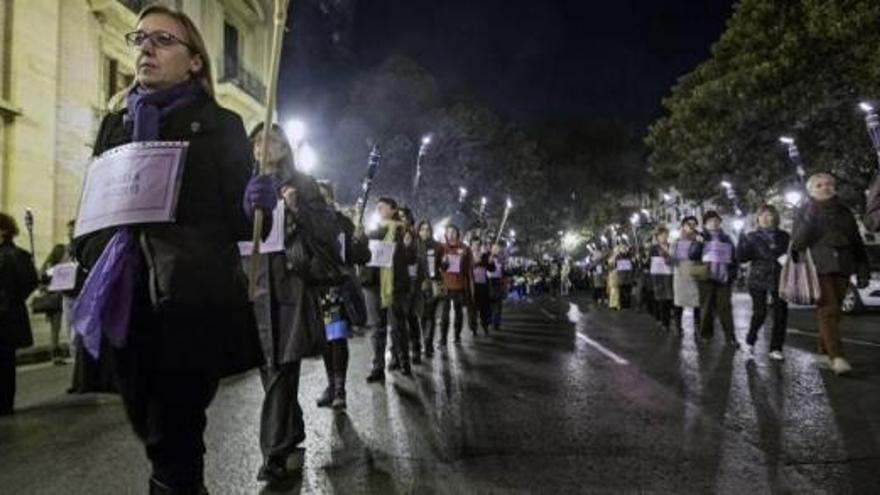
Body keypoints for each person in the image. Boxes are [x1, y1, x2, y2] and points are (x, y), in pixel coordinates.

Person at [71, 7, 273, 493]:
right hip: (127, 297)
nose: (145, 48)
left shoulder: (222, 125)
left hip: (190, 300)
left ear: (195, 61)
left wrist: (256, 204)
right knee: (152, 427)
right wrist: (93, 251)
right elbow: (94, 208)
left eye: (162, 40)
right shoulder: (114, 125)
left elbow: (246, 226)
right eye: (140, 38)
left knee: (176, 432)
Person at [247, 123, 341, 484]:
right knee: (268, 366)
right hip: (254, 284)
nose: (260, 145)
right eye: (255, 140)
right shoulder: (247, 182)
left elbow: (326, 231)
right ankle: (292, 431)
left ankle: (273, 453)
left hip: (290, 283)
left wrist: (297, 208)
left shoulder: (302, 182)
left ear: (284, 147)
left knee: (283, 364)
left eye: (268, 139)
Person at [792, 173, 870, 375]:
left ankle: (824, 352)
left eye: (828, 184)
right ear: (811, 191)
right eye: (819, 185)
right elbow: (799, 243)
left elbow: (856, 240)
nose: (825, 188)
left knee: (833, 314)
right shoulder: (805, 211)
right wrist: (811, 217)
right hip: (819, 268)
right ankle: (837, 357)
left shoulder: (844, 211)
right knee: (829, 309)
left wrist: (863, 269)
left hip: (843, 266)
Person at [314, 181, 371, 410]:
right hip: (315, 290)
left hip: (336, 289)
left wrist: (359, 239)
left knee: (336, 339)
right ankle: (330, 385)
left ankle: (340, 389)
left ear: (331, 197)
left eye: (323, 196)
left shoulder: (342, 222)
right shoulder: (308, 222)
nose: (319, 200)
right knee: (324, 342)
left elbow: (361, 257)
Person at [365, 197, 416, 382]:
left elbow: (411, 260)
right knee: (377, 328)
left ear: (393, 209)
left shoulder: (403, 231)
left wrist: (409, 246)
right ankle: (377, 367)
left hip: (395, 286)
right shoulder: (372, 231)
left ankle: (403, 361)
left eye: (382, 206)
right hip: (374, 285)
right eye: (376, 206)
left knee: (397, 326)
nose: (378, 209)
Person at [737, 205, 790, 361]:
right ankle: (750, 340)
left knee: (781, 315)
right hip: (758, 279)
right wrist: (741, 242)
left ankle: (776, 348)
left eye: (770, 215)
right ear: (758, 218)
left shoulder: (784, 236)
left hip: (780, 278)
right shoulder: (752, 236)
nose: (767, 218)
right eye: (763, 215)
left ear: (776, 217)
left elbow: (791, 253)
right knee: (759, 313)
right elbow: (742, 258)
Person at [0, 213, 39, 416]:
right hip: (8, 314)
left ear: (4, 231)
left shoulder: (16, 255)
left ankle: (5, 404)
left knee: (5, 361)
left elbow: (29, 282)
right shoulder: (18, 255)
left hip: (7, 317)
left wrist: (11, 299)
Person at [689, 211, 740, 348]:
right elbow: (692, 255)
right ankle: (705, 335)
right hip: (706, 277)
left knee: (725, 308)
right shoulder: (700, 237)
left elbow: (734, 258)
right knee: (706, 308)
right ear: (705, 223)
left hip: (723, 278)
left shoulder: (727, 238)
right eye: (710, 220)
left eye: (716, 220)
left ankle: (730, 337)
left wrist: (732, 273)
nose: (714, 223)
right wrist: (699, 244)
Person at [398, 207, 425, 364]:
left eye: (403, 216)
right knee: (398, 320)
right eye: (399, 216)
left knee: (411, 317)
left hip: (412, 282)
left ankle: (415, 349)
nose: (401, 219)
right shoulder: (394, 234)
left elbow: (420, 259)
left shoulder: (415, 237)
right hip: (397, 282)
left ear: (409, 218)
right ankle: (399, 353)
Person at [439, 225, 473, 343]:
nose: (451, 234)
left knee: (458, 311)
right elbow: (438, 266)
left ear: (457, 233)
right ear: (446, 234)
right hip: (446, 285)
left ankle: (457, 334)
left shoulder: (464, 248)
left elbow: (469, 267)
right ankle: (443, 337)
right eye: (448, 232)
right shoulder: (442, 248)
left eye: (453, 232)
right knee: (444, 313)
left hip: (459, 285)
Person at [416, 221, 442, 357]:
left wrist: (445, 264)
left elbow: (443, 265)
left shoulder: (437, 246)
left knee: (430, 315)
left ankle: (428, 343)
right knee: (422, 315)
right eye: (422, 229)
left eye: (427, 230)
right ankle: (424, 340)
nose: (425, 232)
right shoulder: (415, 246)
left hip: (432, 285)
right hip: (418, 286)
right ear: (418, 231)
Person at [672, 217, 701, 334]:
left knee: (697, 302)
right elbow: (671, 259)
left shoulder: (700, 239)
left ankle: (697, 326)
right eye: (689, 224)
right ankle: (678, 326)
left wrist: (701, 243)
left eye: (694, 224)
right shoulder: (676, 242)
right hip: (681, 275)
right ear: (683, 226)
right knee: (679, 302)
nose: (692, 226)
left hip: (695, 273)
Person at [649, 228, 675, 332]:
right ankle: (662, 320)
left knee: (669, 298)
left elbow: (673, 259)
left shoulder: (671, 246)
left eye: (665, 235)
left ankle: (667, 320)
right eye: (661, 235)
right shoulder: (654, 248)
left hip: (669, 274)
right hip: (658, 275)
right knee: (660, 298)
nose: (663, 237)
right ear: (658, 237)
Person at [470, 237, 494, 335]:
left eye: (478, 244)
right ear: (471, 245)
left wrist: (491, 263)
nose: (477, 246)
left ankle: (485, 326)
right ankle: (473, 328)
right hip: (472, 285)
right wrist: (475, 262)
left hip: (483, 285)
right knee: (472, 309)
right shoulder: (468, 256)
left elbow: (491, 268)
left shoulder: (484, 256)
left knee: (484, 308)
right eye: (475, 244)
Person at [486, 242, 506, 331]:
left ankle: (496, 323)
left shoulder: (500, 259)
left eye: (498, 248)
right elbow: (489, 268)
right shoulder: (487, 258)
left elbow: (502, 272)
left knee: (498, 305)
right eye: (494, 248)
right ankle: (489, 320)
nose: (496, 250)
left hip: (498, 282)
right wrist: (489, 262)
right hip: (489, 282)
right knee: (489, 304)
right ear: (491, 249)